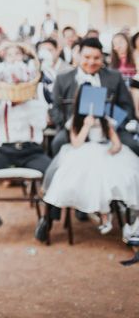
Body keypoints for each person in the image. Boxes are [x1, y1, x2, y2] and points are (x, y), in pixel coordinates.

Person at [0, 46, 50, 230]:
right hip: (6, 151)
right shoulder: (0, 96)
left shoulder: (34, 94)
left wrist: (26, 102)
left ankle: (47, 220)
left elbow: (42, 124)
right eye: (10, 55)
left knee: (53, 172)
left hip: (32, 151)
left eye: (18, 54)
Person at [43, 83, 139, 234]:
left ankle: (109, 214)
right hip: (84, 152)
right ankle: (102, 214)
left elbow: (116, 141)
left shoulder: (104, 120)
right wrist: (86, 126)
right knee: (89, 177)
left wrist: (114, 148)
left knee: (115, 177)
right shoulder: (77, 120)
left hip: (104, 151)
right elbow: (76, 143)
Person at [50, 37, 139, 156]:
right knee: (58, 143)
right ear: (79, 56)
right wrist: (71, 125)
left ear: (102, 58)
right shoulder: (63, 79)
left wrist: (112, 125)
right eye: (87, 57)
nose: (91, 62)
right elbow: (55, 108)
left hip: (110, 128)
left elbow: (127, 106)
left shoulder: (115, 77)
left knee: (133, 145)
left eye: (96, 58)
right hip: (74, 128)